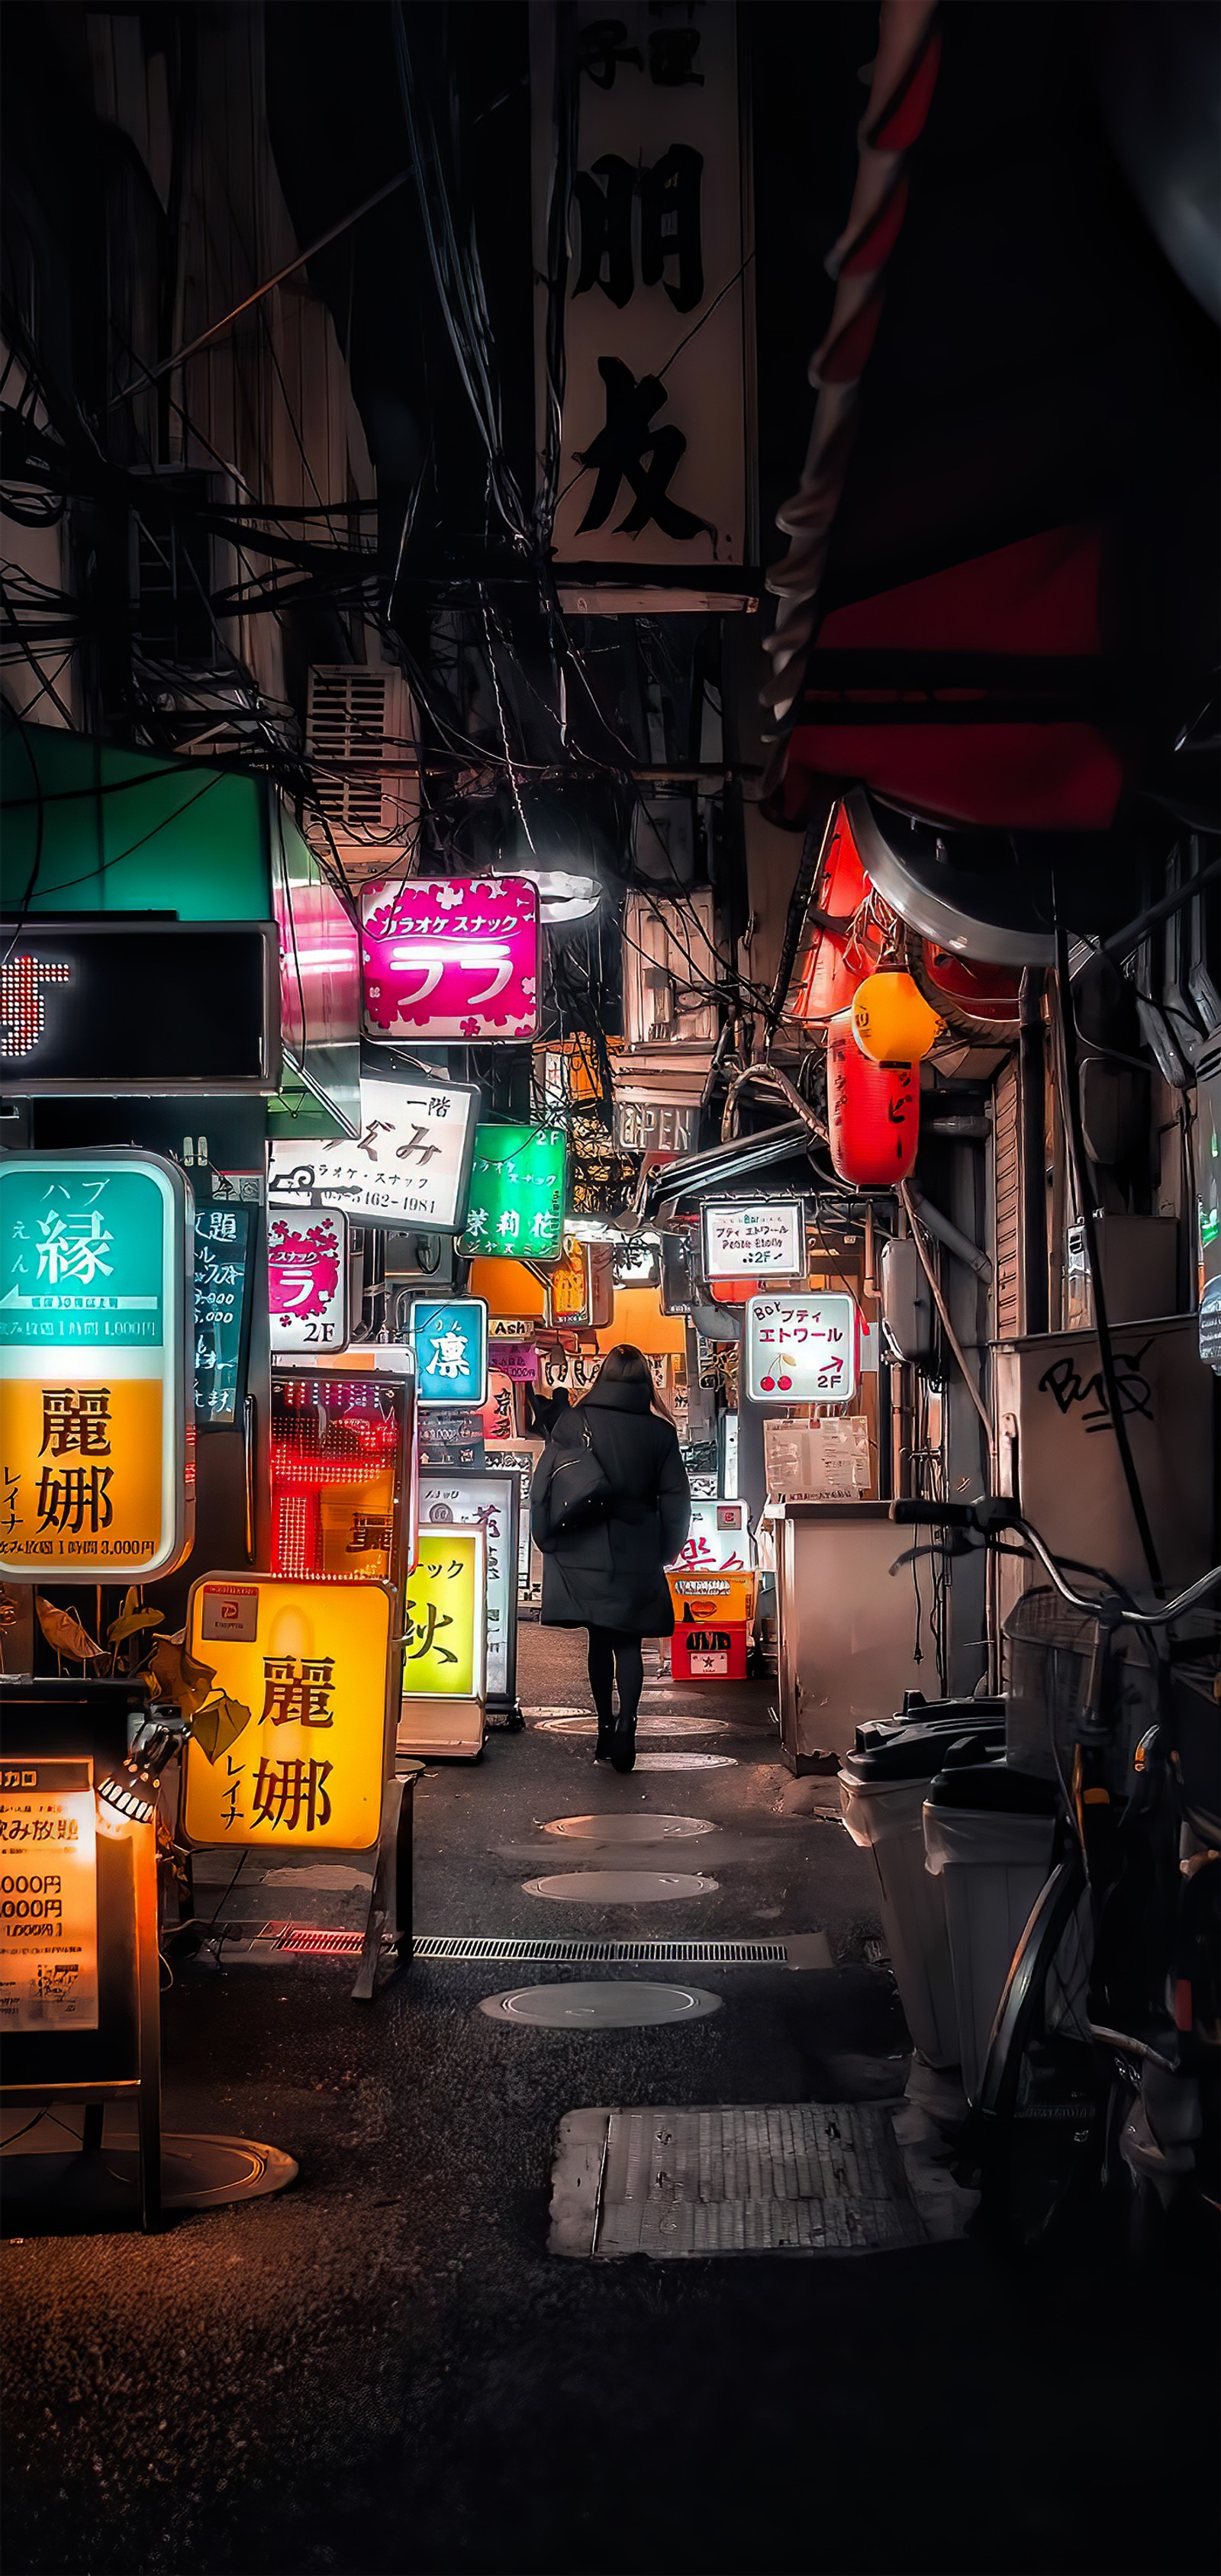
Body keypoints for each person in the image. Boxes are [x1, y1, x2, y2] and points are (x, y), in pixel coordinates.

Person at [530, 1344, 691, 1773]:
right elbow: (675, 1497)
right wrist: (668, 1547)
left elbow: (545, 1482)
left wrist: (544, 1533)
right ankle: (628, 1726)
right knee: (630, 1642)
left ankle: (603, 1727)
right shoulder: (660, 1433)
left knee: (598, 1640)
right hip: (638, 1546)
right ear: (645, 1383)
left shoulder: (576, 1421)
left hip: (585, 1542)